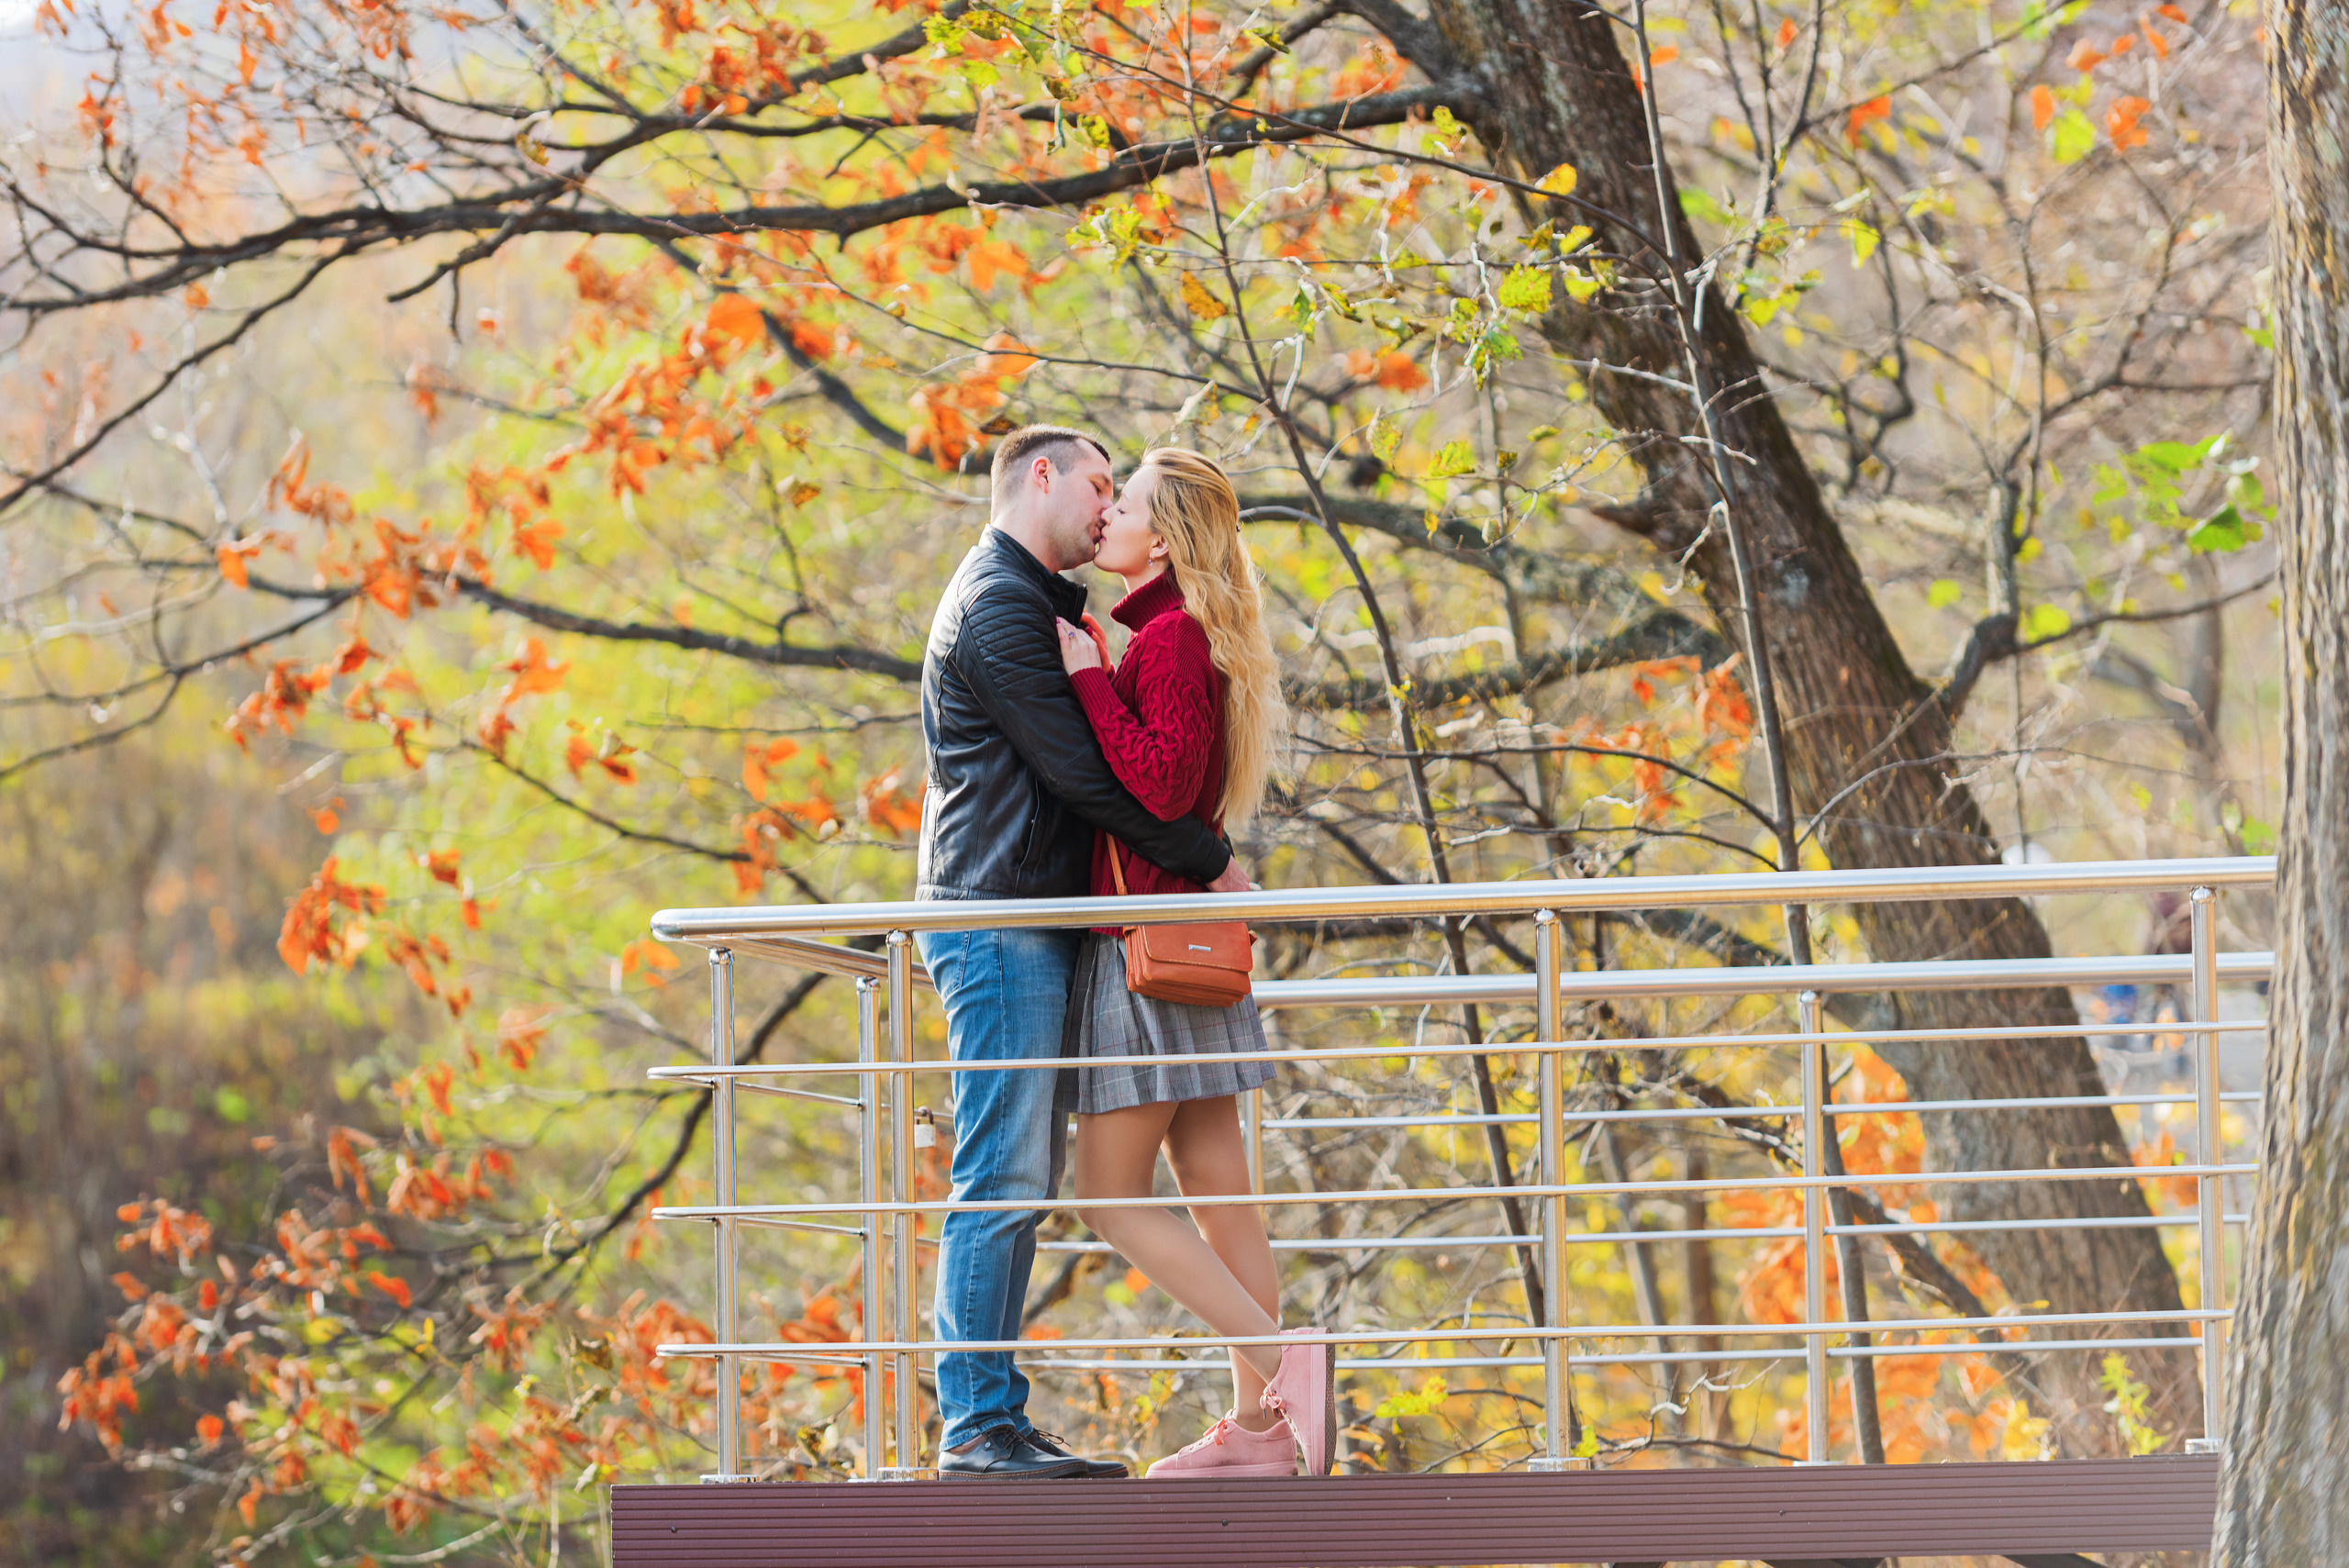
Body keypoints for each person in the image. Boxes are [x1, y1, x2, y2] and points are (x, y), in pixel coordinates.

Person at [916, 425, 1251, 1481]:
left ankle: (997, 1419)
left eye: (1125, 495)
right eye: (1099, 485)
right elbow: (1088, 778)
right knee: (1005, 1170)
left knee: (1027, 1172)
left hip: (1037, 922)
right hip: (998, 921)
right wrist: (1209, 858)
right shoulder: (1000, 605)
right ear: (1042, 476)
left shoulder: (1050, 605)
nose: (1108, 508)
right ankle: (977, 1427)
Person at [1052, 448, 1335, 1480]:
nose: (1105, 517)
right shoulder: (1177, 632)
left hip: (1147, 950)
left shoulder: (1166, 637)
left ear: (1160, 539)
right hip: (1187, 947)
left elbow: (1160, 791)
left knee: (1108, 1193)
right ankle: (1261, 1437)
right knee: (1219, 1192)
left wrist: (1086, 677)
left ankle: (1279, 1359)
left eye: (1118, 504)